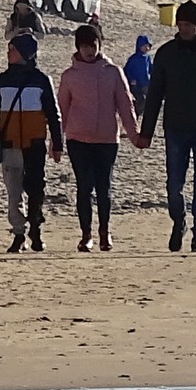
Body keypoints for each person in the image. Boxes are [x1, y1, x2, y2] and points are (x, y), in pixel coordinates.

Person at [136, 1, 196, 253]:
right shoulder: (167, 53)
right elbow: (155, 94)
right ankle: (178, 221)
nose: (183, 29)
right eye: (180, 24)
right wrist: (146, 132)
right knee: (174, 185)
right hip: (176, 127)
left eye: (188, 24)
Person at [0, 33, 63, 253]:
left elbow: (53, 114)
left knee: (36, 189)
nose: (8, 53)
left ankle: (35, 228)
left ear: (25, 53)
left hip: (35, 144)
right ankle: (18, 233)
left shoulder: (42, 80)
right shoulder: (1, 81)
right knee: (13, 191)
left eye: (12, 50)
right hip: (9, 143)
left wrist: (57, 143)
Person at [57, 24, 139, 253]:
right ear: (78, 48)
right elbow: (61, 110)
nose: (89, 51)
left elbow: (125, 105)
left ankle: (105, 232)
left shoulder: (113, 72)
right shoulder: (69, 76)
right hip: (78, 139)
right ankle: (86, 235)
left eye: (92, 45)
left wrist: (134, 135)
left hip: (106, 139)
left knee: (104, 187)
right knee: (84, 187)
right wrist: (55, 142)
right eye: (84, 46)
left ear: (99, 44)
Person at [123, 35, 153, 101]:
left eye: (148, 46)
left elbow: (150, 67)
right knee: (140, 99)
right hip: (136, 84)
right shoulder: (133, 59)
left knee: (151, 95)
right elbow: (127, 70)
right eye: (144, 46)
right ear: (139, 46)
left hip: (146, 82)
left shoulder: (147, 57)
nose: (147, 48)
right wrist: (132, 79)